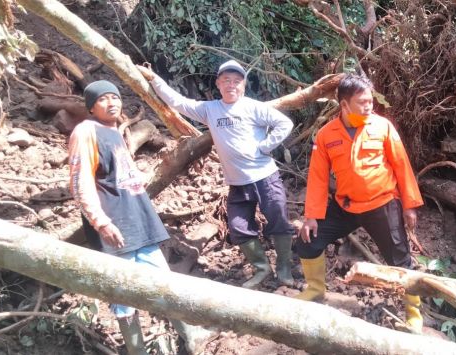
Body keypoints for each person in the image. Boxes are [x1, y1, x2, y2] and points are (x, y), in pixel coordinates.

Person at [68, 80, 216, 355]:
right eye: (103, 99)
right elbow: (80, 182)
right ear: (91, 106)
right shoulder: (86, 131)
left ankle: (190, 336)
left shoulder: (113, 132)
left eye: (115, 96)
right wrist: (100, 221)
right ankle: (136, 350)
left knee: (165, 285)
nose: (112, 102)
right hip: (113, 227)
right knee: (122, 296)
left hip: (138, 222)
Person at [136, 61, 295, 289]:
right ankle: (262, 268)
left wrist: (266, 146)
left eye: (236, 81)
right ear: (219, 84)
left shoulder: (253, 107)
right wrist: (154, 79)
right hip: (237, 183)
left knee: (278, 218)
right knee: (239, 226)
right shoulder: (210, 110)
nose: (231, 85)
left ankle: (284, 269)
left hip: (265, 177)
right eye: (226, 80)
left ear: (243, 85)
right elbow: (178, 102)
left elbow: (284, 123)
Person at [296, 74, 425, 333]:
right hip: (346, 206)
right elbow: (318, 178)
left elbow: (402, 166)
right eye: (362, 102)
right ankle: (315, 291)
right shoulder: (325, 135)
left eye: (370, 102)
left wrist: (409, 205)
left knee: (400, 261)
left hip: (382, 204)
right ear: (344, 105)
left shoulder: (383, 126)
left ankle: (413, 313)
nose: (369, 107)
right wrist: (311, 215)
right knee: (307, 241)